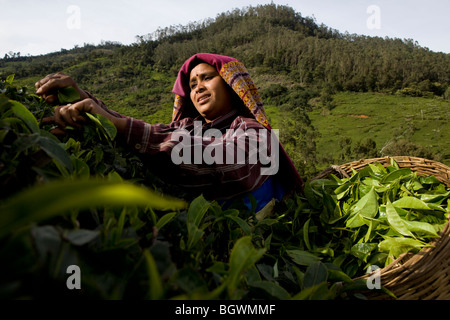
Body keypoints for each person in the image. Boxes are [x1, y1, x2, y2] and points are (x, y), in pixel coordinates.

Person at [36, 53, 303, 218]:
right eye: (192, 84)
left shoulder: (254, 132)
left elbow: (231, 165)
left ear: (231, 85)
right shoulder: (188, 127)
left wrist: (116, 125)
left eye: (207, 78)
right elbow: (151, 133)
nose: (198, 88)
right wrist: (81, 98)